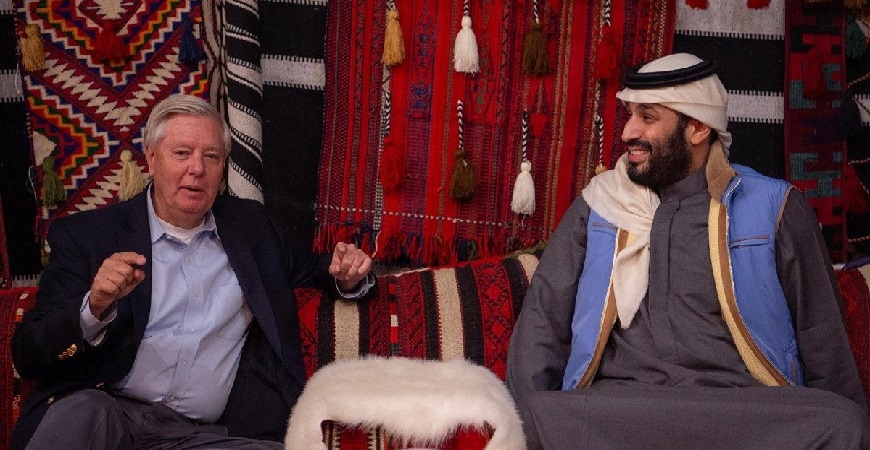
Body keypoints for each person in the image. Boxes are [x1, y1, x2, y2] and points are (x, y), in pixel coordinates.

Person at [506, 53, 870, 449]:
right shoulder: (597, 207)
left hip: (743, 413)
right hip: (621, 412)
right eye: (630, 116)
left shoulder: (774, 207)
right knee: (530, 415)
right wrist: (516, 426)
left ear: (697, 127)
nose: (627, 132)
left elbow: (821, 332)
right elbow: (543, 319)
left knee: (843, 422)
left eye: (647, 117)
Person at [10, 94, 375, 449]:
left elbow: (317, 269)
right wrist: (94, 307)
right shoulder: (89, 235)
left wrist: (348, 274)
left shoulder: (251, 229)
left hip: (196, 436)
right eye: (182, 153)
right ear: (151, 158)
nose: (197, 169)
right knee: (85, 413)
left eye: (211, 156)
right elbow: (29, 354)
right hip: (106, 413)